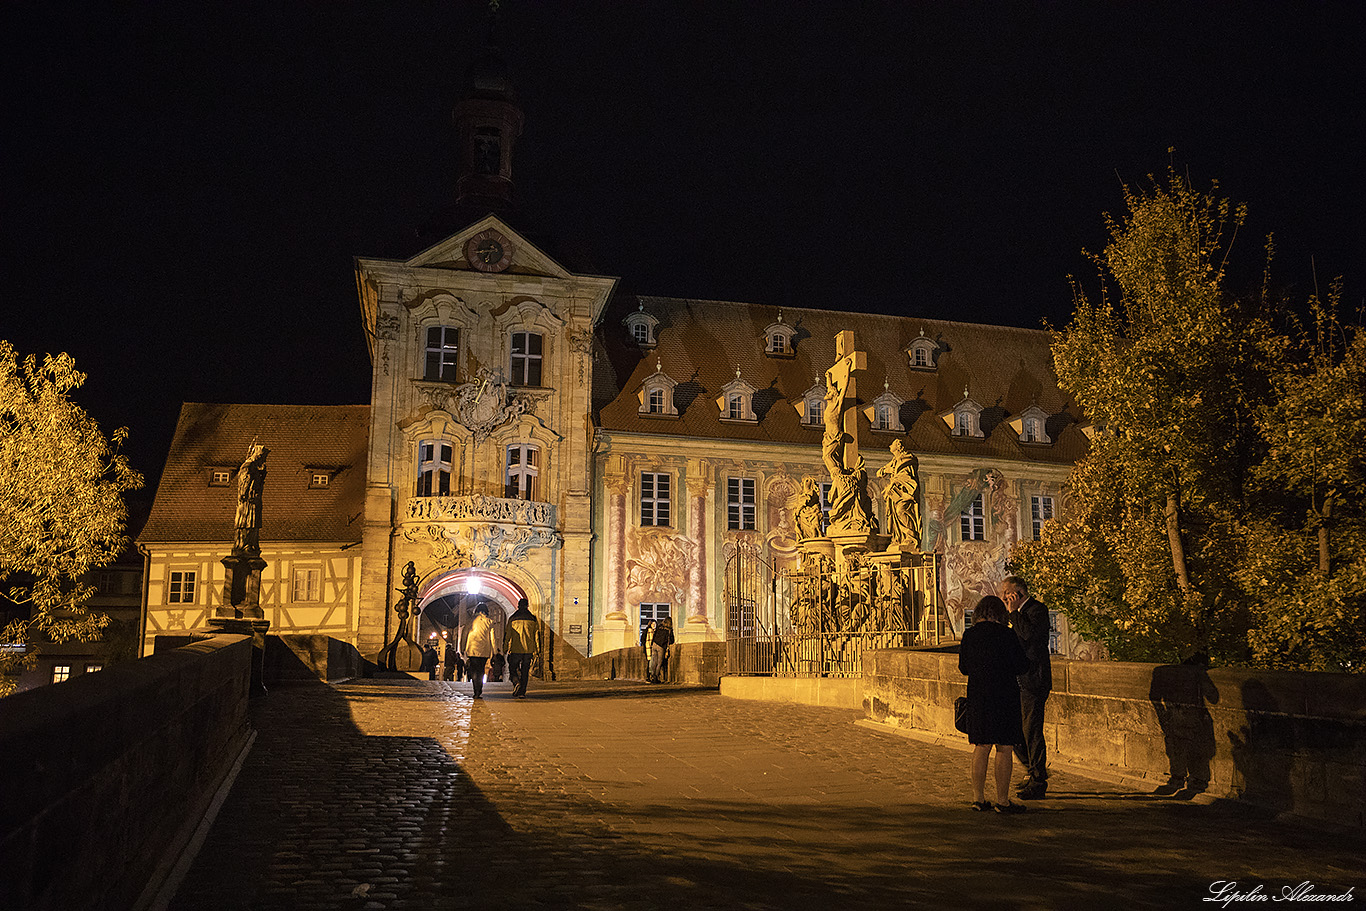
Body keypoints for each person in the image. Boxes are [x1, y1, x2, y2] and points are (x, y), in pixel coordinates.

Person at [958, 595, 1030, 813]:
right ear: (1000, 614)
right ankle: (1002, 800)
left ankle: (978, 798)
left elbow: (963, 668)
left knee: (981, 747)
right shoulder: (1006, 634)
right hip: (1004, 696)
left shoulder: (970, 635)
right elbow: (1021, 666)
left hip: (979, 696)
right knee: (1004, 748)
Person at [1001, 575, 1052, 799]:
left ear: (1019, 592)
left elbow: (1029, 635)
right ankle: (1033, 770)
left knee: (1032, 730)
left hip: (1033, 679)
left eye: (1007, 593)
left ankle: (1038, 780)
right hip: (1016, 679)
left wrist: (1013, 613)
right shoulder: (1016, 613)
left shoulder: (1037, 610)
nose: (1004, 597)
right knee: (1014, 731)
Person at [503, 598, 541, 698]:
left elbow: (508, 635)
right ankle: (522, 692)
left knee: (512, 668)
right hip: (529, 649)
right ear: (527, 606)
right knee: (525, 671)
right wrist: (537, 650)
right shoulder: (532, 619)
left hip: (516, 648)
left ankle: (516, 682)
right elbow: (536, 635)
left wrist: (505, 648)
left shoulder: (513, 618)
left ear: (518, 606)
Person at [462, 603, 499, 699]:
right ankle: (479, 689)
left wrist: (462, 648)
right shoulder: (489, 622)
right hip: (484, 651)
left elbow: (464, 635)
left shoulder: (470, 621)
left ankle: (476, 690)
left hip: (472, 649)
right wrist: (495, 652)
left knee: (474, 670)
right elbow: (493, 639)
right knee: (481, 670)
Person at [649, 616, 675, 683]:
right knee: (659, 663)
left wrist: (652, 644)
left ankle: (652, 675)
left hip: (654, 644)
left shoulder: (659, 627)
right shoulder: (669, 630)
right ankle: (656, 677)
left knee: (654, 661)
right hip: (661, 646)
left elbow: (654, 635)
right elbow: (672, 640)